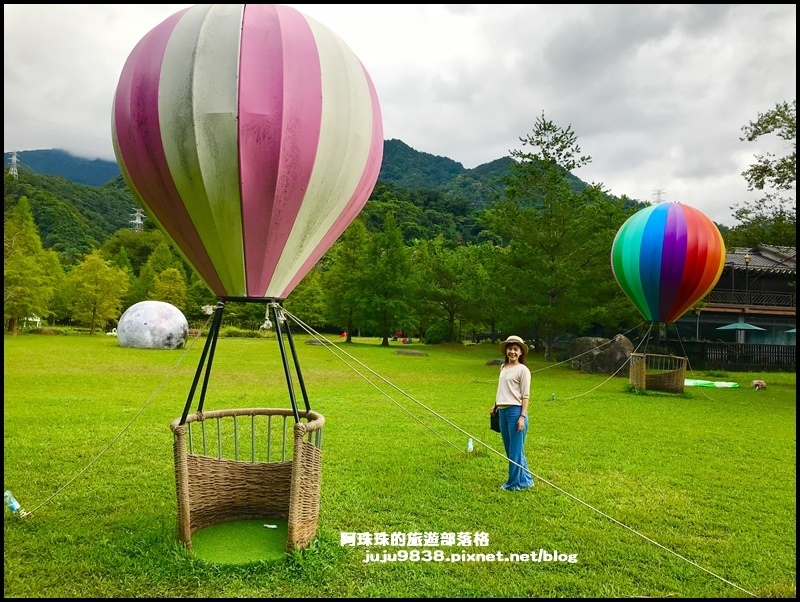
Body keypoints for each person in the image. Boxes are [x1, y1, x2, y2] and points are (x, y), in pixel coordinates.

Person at [492, 335, 534, 491]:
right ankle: (526, 480)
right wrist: (495, 406)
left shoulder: (523, 370)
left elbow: (525, 395)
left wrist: (522, 417)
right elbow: (502, 390)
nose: (512, 352)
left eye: (515, 349)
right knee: (511, 450)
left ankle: (513, 484)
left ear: (521, 352)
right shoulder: (503, 367)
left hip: (516, 412)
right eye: (510, 349)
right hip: (502, 412)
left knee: (516, 451)